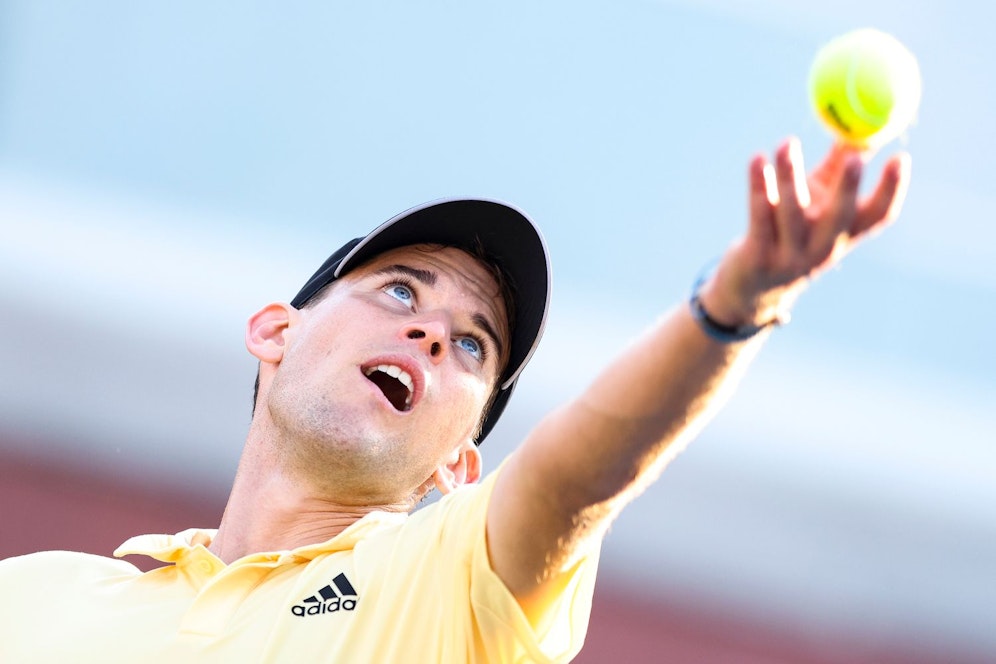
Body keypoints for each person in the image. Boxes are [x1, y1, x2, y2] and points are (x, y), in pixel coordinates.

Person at [0, 136, 910, 663]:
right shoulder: (34, 597)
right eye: (402, 290)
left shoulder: (446, 586)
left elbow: (575, 477)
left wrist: (734, 308)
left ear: (457, 467)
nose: (433, 332)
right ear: (277, 333)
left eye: (473, 343)